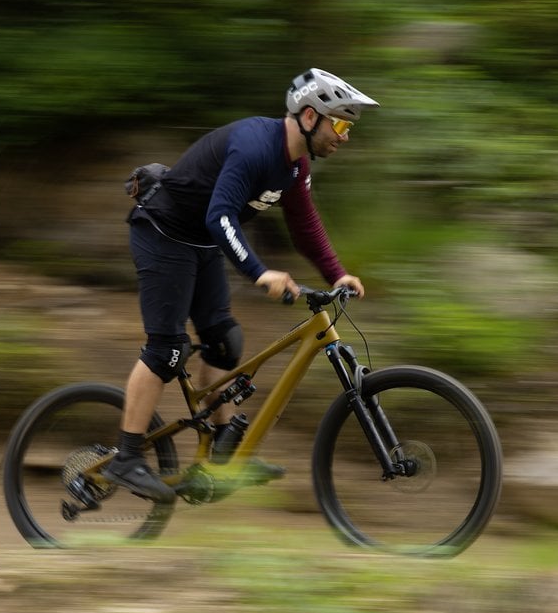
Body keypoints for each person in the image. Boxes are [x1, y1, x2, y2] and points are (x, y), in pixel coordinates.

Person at [103, 68, 380, 503]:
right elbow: (221, 217)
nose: (344, 136)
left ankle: (219, 458)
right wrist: (258, 272)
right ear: (310, 117)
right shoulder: (254, 147)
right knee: (167, 350)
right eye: (340, 124)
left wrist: (335, 273)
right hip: (162, 234)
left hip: (201, 242)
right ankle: (127, 457)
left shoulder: (295, 167)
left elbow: (305, 226)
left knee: (224, 343)